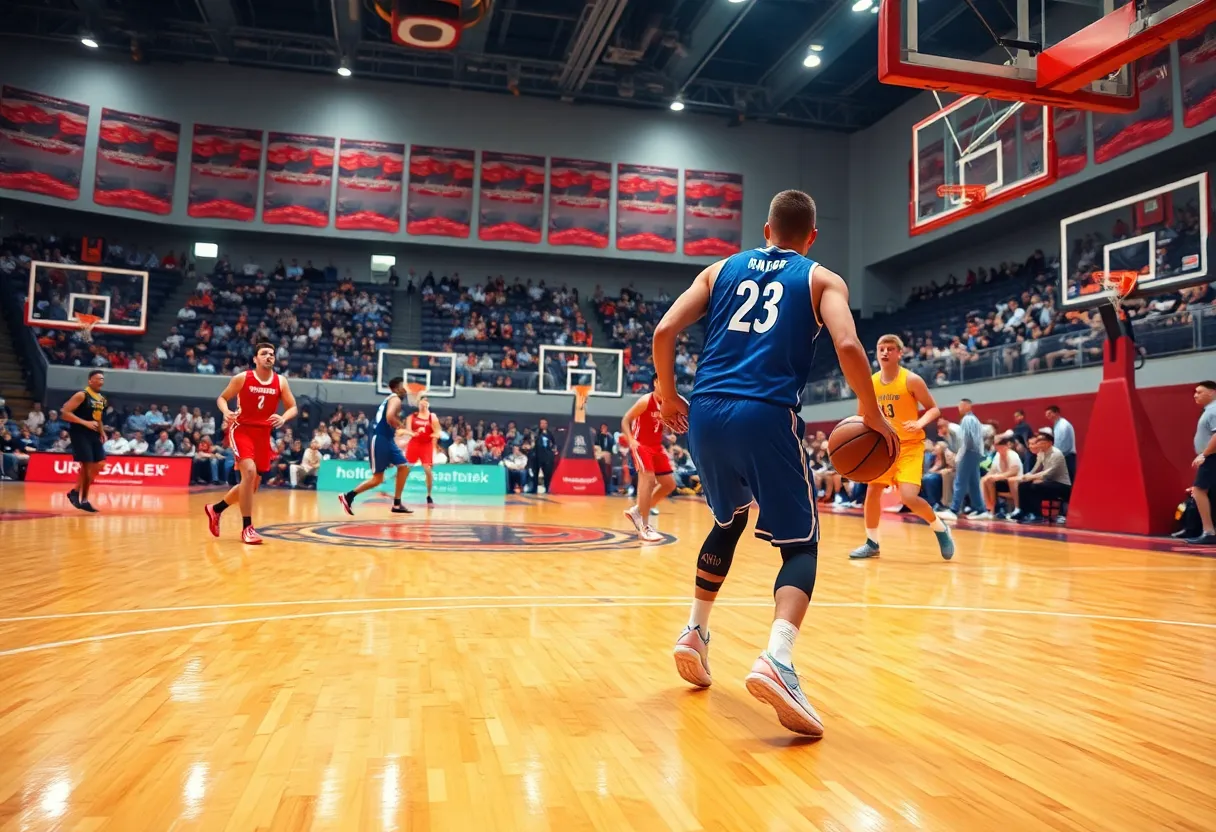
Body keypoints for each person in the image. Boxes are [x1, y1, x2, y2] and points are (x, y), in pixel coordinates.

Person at [652, 189, 895, 737]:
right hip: (765, 414)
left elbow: (665, 330)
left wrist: (669, 397)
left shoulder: (718, 271)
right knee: (801, 545)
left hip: (706, 411)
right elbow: (851, 346)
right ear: (812, 236)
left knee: (728, 518)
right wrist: (870, 413)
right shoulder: (822, 278)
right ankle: (778, 660)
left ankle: (695, 630)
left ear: (766, 229)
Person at [847, 334, 953, 560]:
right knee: (873, 491)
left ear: (899, 354)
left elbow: (933, 409)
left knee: (908, 497)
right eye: (881, 348)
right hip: (883, 447)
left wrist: (919, 423)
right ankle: (872, 542)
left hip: (909, 447)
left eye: (890, 349)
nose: (884, 352)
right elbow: (861, 416)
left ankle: (939, 527)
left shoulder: (911, 380)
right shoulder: (870, 383)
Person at [205, 343, 298, 544]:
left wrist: (283, 418)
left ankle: (216, 509)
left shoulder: (281, 382)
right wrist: (226, 411)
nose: (269, 357)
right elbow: (222, 398)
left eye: (272, 354)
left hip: (263, 435)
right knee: (248, 473)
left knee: (250, 487)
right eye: (264, 353)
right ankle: (247, 528)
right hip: (242, 430)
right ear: (255, 359)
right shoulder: (242, 378)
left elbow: (293, 407)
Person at [339, 377, 414, 515]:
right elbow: (390, 417)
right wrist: (402, 427)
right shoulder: (395, 398)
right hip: (379, 438)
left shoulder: (391, 399)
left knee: (404, 467)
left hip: (387, 439)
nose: (406, 389)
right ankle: (348, 496)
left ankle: (397, 504)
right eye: (404, 386)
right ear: (397, 388)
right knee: (377, 479)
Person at [621, 384, 676, 543]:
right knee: (649, 480)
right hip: (641, 445)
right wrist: (631, 440)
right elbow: (626, 419)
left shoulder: (667, 403)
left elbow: (662, 427)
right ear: (655, 383)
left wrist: (670, 432)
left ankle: (638, 511)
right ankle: (644, 527)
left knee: (669, 484)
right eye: (663, 380)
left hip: (656, 447)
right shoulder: (645, 401)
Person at [60, 369, 107, 512]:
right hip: (80, 433)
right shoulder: (81, 395)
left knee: (100, 464)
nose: (101, 381)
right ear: (90, 381)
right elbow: (65, 413)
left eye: (102, 379)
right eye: (98, 378)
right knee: (86, 466)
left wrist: (102, 431)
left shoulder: (101, 399)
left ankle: (74, 492)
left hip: (93, 434)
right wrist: (84, 422)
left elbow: (98, 418)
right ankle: (84, 499)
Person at [1009, 431, 1072, 523]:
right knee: (1023, 485)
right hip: (1048, 481)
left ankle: (1037, 514)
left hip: (1061, 484)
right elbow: (1036, 468)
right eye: (1039, 441)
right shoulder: (1041, 453)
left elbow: (1049, 473)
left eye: (1042, 441)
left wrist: (1032, 477)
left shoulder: (1057, 454)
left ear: (1050, 443)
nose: (1039, 443)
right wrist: (1028, 476)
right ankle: (1024, 511)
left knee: (1035, 486)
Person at [939, 399, 984, 520]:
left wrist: (960, 454)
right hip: (975, 452)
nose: (959, 408)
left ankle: (953, 510)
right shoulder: (974, 419)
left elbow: (968, 440)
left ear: (967, 406)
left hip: (969, 452)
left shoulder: (967, 420)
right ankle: (981, 509)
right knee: (973, 482)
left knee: (960, 480)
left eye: (960, 405)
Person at [1186, 380, 1216, 545]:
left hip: (1211, 457)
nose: (1195, 395)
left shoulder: (1214, 410)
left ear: (1212, 392)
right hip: (1210, 456)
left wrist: (1204, 454)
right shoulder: (1209, 411)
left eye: (1199, 392)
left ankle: (1209, 531)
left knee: (1198, 490)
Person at [403, 394, 441, 507]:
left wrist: (433, 435)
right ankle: (397, 496)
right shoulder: (412, 417)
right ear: (418, 403)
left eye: (426, 401)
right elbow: (408, 431)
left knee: (428, 470)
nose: (424, 403)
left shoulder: (432, 417)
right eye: (422, 401)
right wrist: (414, 433)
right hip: (414, 444)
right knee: (405, 470)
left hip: (426, 445)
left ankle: (429, 496)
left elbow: (438, 432)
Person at [977, 434, 1023, 519]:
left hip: (1014, 482)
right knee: (986, 480)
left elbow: (1014, 472)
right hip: (1001, 481)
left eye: (1000, 447)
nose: (999, 449)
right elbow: (992, 471)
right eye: (997, 447)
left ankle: (1016, 508)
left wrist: (999, 476)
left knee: (1008, 480)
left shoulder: (1013, 455)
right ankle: (990, 509)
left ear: (1006, 446)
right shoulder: (997, 455)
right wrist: (986, 477)